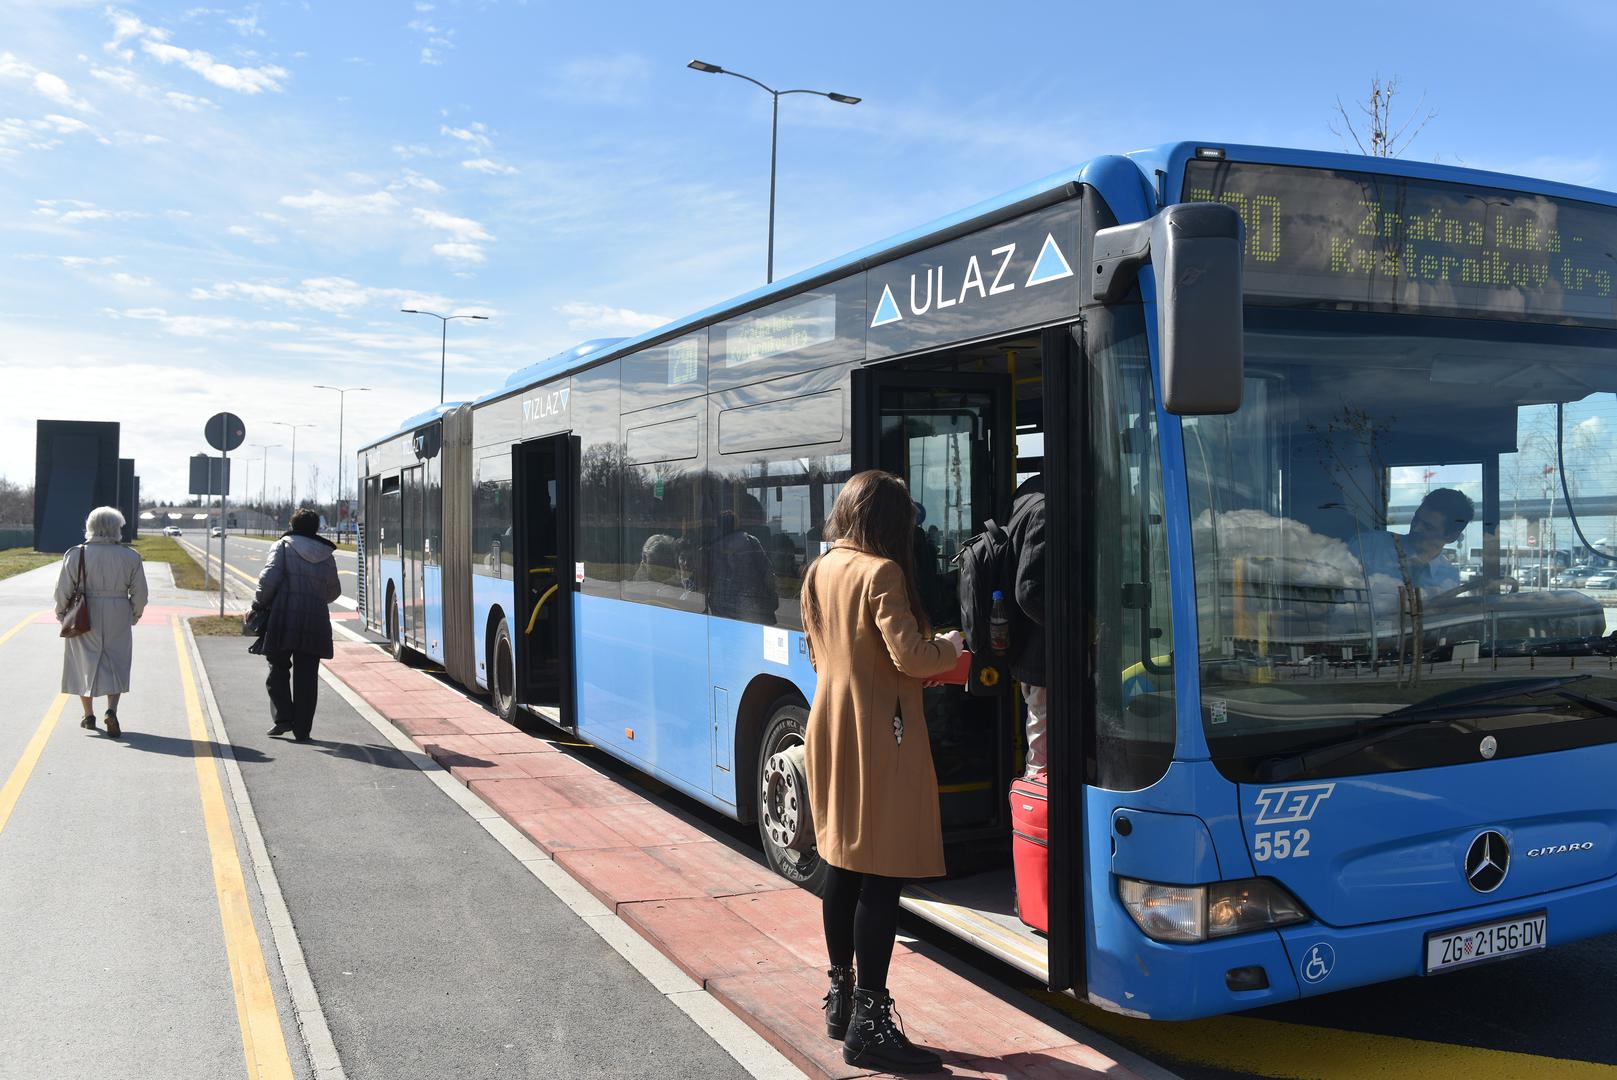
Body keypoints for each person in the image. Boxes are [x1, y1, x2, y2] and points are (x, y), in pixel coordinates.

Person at [800, 470, 964, 1074]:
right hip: (879, 738)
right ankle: (870, 1023)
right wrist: (953, 645)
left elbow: (817, 650)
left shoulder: (820, 569)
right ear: (890, 521)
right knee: (882, 876)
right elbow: (911, 657)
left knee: (841, 866)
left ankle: (840, 999)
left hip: (830, 726)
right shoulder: (882, 572)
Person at [56, 506, 148, 738]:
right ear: (117, 528)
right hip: (118, 609)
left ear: (90, 527)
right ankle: (112, 710)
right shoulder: (131, 556)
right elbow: (140, 594)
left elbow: (63, 589)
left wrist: (61, 613)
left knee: (82, 661)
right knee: (116, 660)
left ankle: (88, 715)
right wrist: (134, 615)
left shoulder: (77, 554)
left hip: (84, 611)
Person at [252, 508, 342, 743]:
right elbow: (334, 591)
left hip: (283, 617)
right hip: (315, 621)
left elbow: (269, 578)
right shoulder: (327, 554)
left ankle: (283, 719)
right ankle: (303, 730)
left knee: (278, 666)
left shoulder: (283, 546)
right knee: (308, 675)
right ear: (316, 528)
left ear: (292, 526)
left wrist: (258, 603)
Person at [1353, 488, 1475, 598]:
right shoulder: (1369, 544)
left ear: (1451, 537)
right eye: (1416, 519)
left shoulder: (1449, 577)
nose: (1416, 528)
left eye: (1427, 527)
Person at [1007, 475, 1047, 775]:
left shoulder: (1026, 493)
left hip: (1027, 650)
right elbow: (1029, 590)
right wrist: (1074, 629)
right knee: (1042, 759)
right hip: (1043, 656)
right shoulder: (1046, 506)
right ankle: (1035, 818)